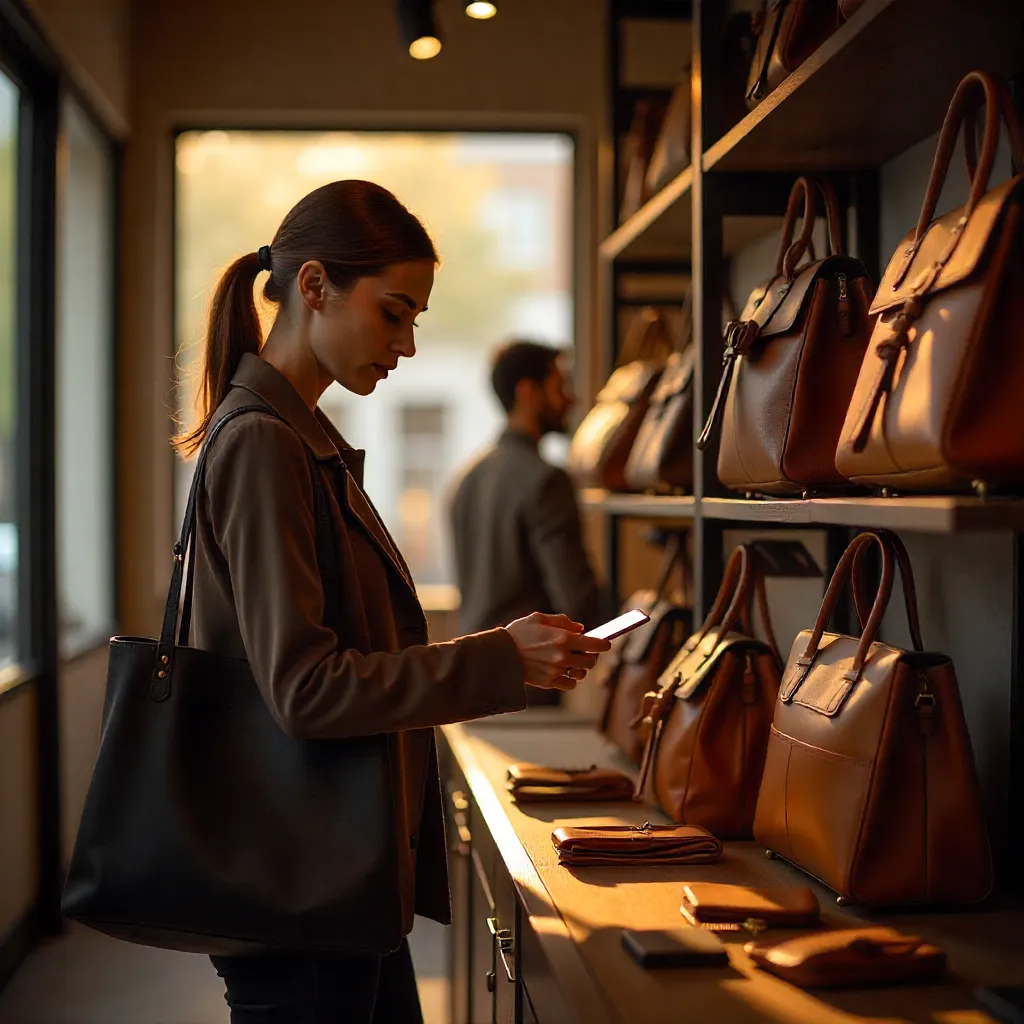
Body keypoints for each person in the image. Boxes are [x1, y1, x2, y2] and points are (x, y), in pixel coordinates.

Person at [174, 180, 611, 1023]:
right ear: (313, 288)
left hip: (331, 877)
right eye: (394, 313)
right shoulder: (266, 442)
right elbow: (307, 688)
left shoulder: (300, 437)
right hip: (301, 886)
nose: (407, 344)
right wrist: (498, 657)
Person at [448, 341, 605, 642]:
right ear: (527, 391)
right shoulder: (546, 480)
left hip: (470, 665)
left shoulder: (467, 478)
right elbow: (577, 600)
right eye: (560, 387)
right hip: (526, 672)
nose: (571, 400)